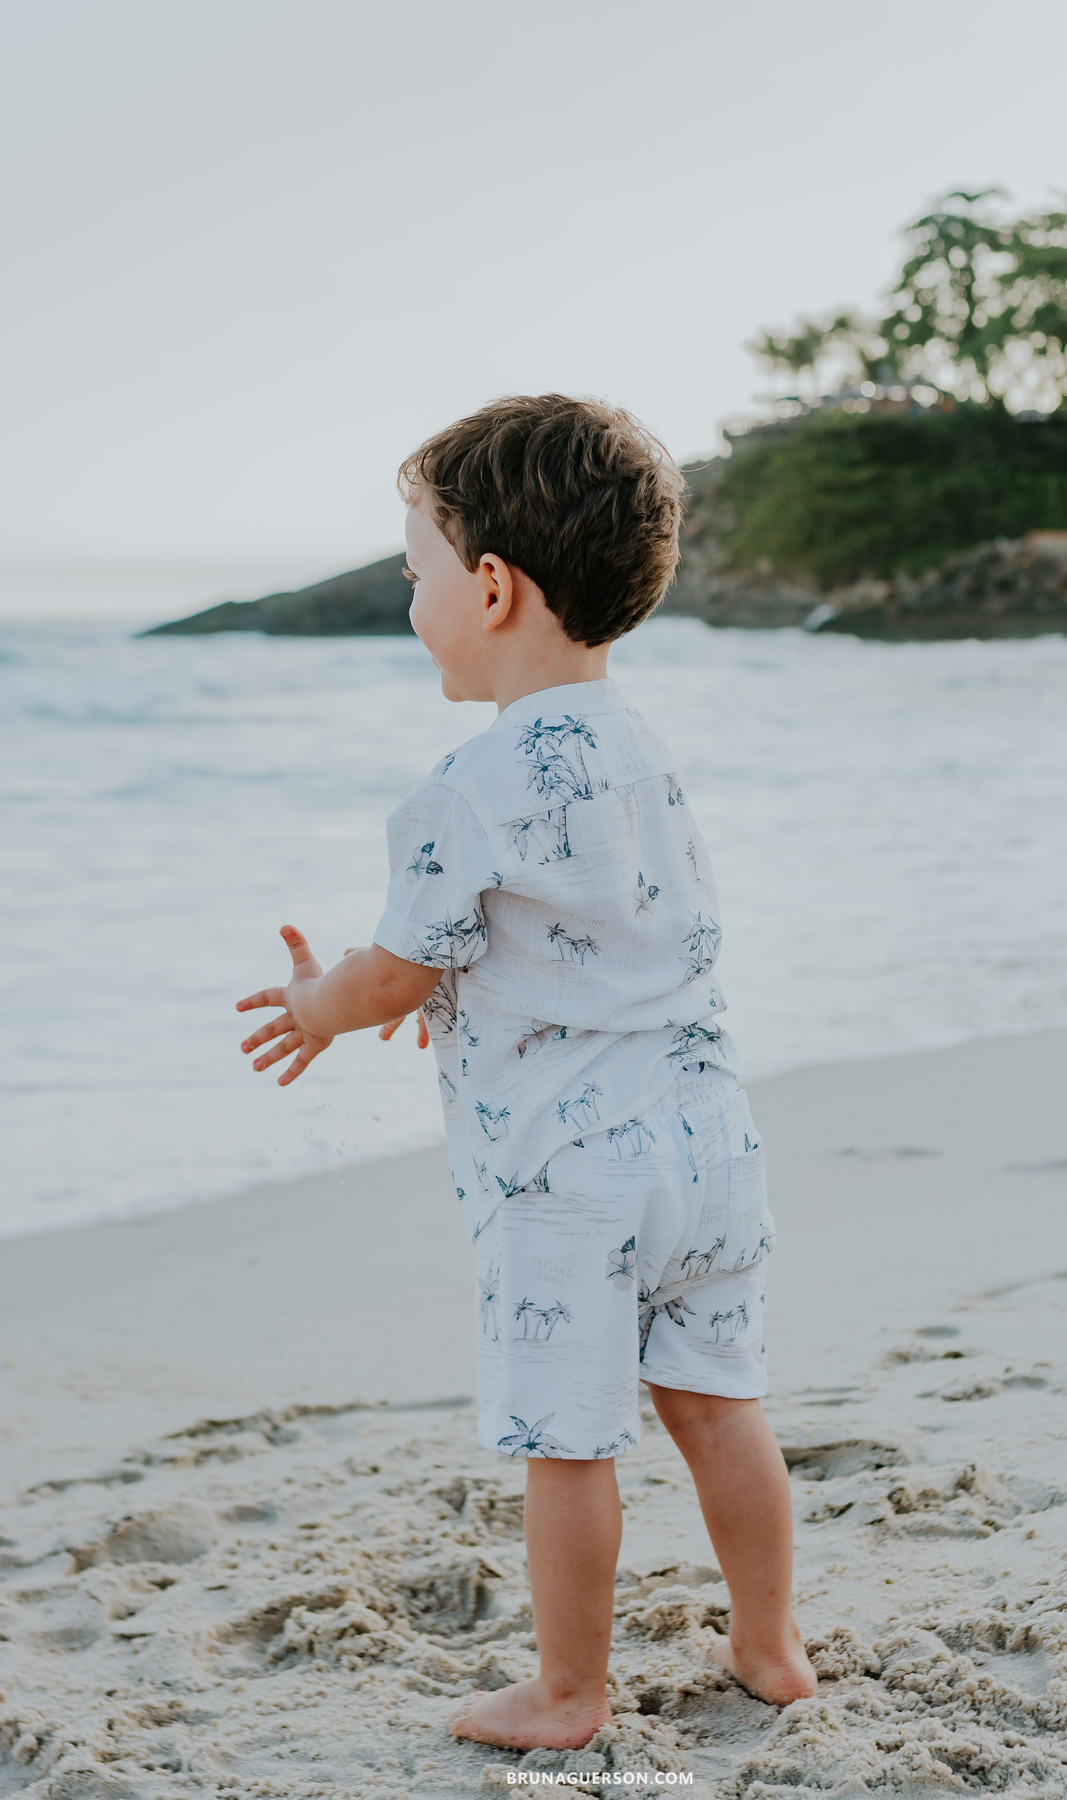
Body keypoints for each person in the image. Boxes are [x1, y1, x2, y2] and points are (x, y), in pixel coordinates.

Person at [235, 395, 817, 1749]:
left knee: (570, 1437)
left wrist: (325, 1003)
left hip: (569, 1172)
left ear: (490, 587)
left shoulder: (469, 784)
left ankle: (568, 1691)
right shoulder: (647, 756)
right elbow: (594, 934)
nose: (411, 593)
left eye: (414, 567)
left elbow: (392, 967)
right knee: (723, 1409)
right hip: (710, 1141)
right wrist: (449, 978)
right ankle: (772, 1644)